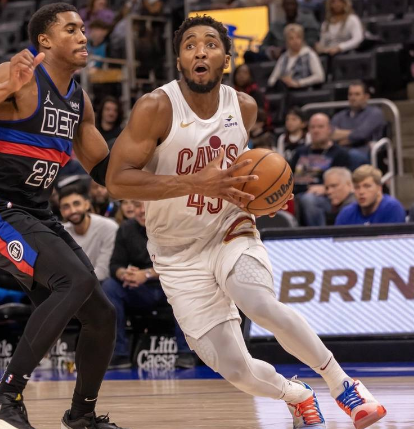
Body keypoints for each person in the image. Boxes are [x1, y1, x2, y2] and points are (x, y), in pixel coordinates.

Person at [106, 15, 386, 429]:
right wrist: (194, 183)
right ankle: (296, 395)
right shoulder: (156, 107)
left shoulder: (244, 107)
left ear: (226, 59)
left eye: (210, 44)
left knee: (258, 303)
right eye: (189, 46)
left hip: (228, 228)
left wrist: (267, 193)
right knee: (234, 367)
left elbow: (247, 168)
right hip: (175, 251)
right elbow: (116, 181)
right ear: (180, 61)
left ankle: (344, 385)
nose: (200, 51)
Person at [0, 4, 125, 429]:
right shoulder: (20, 76)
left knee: (101, 314)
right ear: (45, 40)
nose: (83, 36)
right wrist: (4, 86)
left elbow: (107, 172)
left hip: (36, 213)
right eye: (71, 29)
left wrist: (170, 176)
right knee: (75, 280)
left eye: (83, 29)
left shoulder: (79, 101)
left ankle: (81, 416)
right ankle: (2, 397)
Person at [103, 200, 194, 370]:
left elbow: (181, 263)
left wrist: (146, 274)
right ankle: (119, 354)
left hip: (169, 286)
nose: (141, 211)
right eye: (137, 206)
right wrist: (125, 274)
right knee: (109, 287)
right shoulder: (126, 228)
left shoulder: (174, 226)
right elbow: (114, 265)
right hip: (140, 290)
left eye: (146, 206)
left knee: (184, 287)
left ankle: (186, 352)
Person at [291, 113, 353, 226]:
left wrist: (325, 187)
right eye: (312, 127)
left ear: (329, 129)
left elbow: (344, 183)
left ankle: (319, 235)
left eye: (320, 127)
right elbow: (288, 177)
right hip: (296, 195)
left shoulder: (339, 153)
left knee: (309, 199)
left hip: (324, 198)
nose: (316, 131)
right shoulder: (300, 152)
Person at [60, 185, 118, 283]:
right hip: (72, 284)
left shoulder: (108, 227)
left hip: (100, 284)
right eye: (66, 207)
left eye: (76, 204)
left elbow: (103, 271)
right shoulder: (60, 232)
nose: (73, 210)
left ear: (87, 205)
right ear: (61, 212)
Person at [331, 81, 386, 169]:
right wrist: (355, 133)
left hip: (365, 152)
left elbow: (361, 134)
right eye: (350, 94)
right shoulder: (340, 116)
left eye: (357, 94)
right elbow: (330, 133)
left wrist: (340, 136)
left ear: (366, 97)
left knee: (351, 155)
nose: (353, 98)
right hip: (340, 150)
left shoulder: (375, 113)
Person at [245, 0, 319, 62]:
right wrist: (272, 50)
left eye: (292, 4)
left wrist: (286, 49)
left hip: (299, 55)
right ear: (283, 7)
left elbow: (312, 42)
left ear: (297, 5)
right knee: (249, 55)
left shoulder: (308, 21)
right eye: (287, 5)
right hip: (275, 58)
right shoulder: (275, 25)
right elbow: (262, 46)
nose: (290, 8)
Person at [336, 165, 406, 225]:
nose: (361, 192)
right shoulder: (346, 213)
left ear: (379, 188)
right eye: (357, 187)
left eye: (367, 186)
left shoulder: (392, 209)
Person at [267, 24, 325, 90]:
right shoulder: (283, 57)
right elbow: (271, 80)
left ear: (302, 39)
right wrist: (284, 80)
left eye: (298, 37)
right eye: (291, 38)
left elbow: (320, 77)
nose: (295, 41)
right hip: (286, 90)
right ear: (286, 41)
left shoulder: (309, 54)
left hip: (303, 91)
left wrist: (298, 83)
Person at [232, 64, 271, 129]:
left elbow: (262, 116)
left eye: (245, 73)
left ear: (250, 76)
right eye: (239, 72)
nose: (241, 75)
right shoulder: (231, 93)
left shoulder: (256, 94)